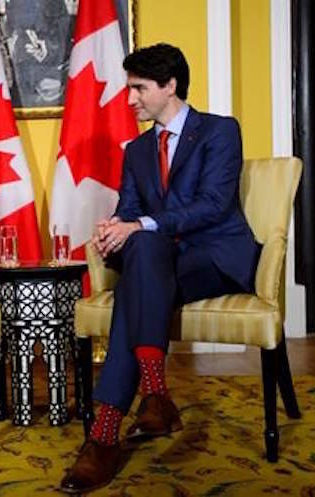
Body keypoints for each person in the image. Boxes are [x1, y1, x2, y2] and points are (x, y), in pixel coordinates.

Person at [59, 43, 261, 493]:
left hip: (213, 257)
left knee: (140, 267)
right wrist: (113, 229)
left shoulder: (220, 132)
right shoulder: (137, 151)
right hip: (158, 262)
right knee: (143, 256)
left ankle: (105, 436)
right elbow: (130, 209)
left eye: (139, 89)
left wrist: (140, 225)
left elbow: (212, 205)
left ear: (170, 87)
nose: (129, 99)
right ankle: (152, 396)